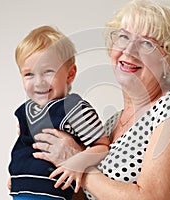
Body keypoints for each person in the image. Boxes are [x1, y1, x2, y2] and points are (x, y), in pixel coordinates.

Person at [33, 1, 170, 199]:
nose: (129, 50)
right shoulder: (110, 126)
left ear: (169, 58)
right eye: (124, 37)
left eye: (146, 43)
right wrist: (37, 176)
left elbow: (151, 198)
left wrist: (77, 162)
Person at [8, 25, 109, 200]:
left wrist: (78, 162)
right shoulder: (26, 111)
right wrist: (19, 174)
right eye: (29, 74)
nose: (39, 82)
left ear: (70, 74)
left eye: (48, 72)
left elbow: (102, 147)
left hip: (53, 194)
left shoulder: (73, 108)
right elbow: (25, 149)